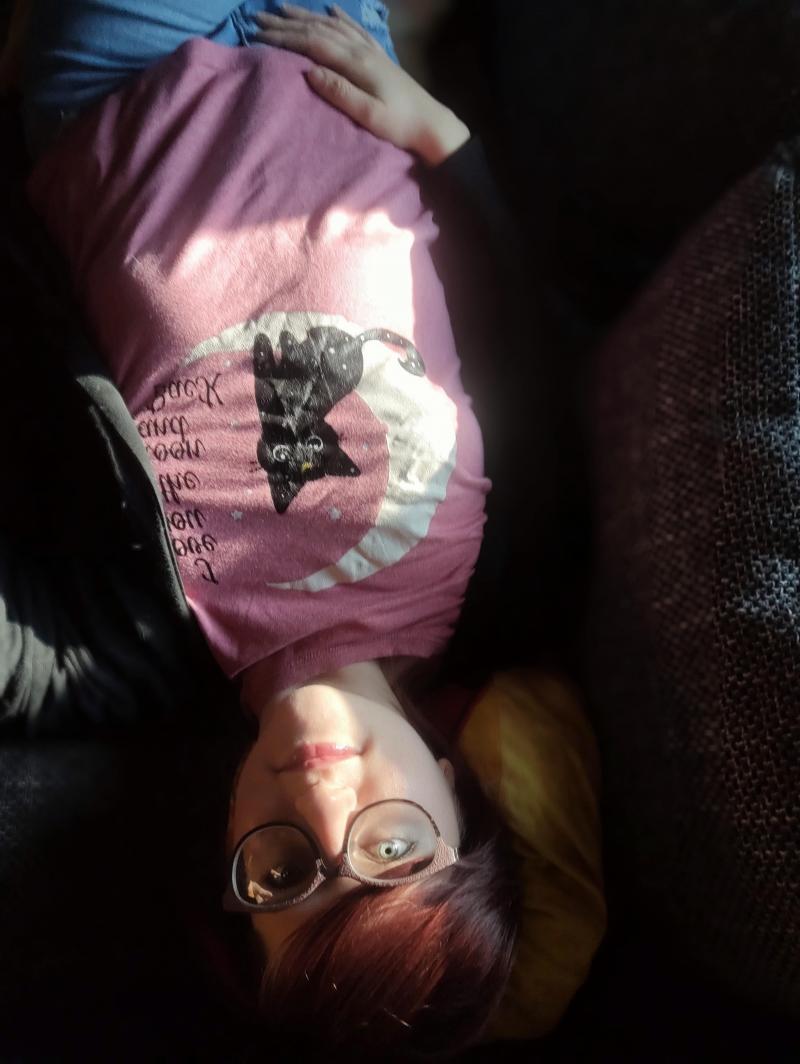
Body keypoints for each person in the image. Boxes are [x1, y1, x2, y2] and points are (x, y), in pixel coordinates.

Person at [4, 1, 528, 1057]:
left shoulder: (142, 650)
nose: (325, 802)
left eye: (286, 874)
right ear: (456, 799)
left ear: (231, 858)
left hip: (125, 83)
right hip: (340, 55)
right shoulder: (505, 576)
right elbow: (524, 344)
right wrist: (440, 137)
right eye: (392, 850)